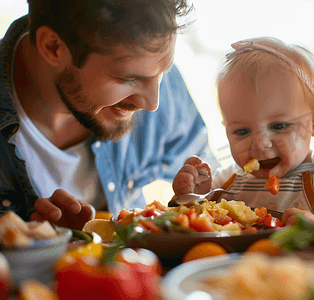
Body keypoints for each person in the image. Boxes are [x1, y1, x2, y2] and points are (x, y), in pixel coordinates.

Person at [0, 0, 218, 230]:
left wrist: (190, 205)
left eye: (164, 71)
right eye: (128, 79)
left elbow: (215, 195)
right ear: (53, 47)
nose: (152, 103)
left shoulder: (153, 76)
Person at [172, 37, 314, 225]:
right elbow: (185, 221)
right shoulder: (229, 180)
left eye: (278, 126)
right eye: (242, 131)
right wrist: (190, 195)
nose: (261, 143)